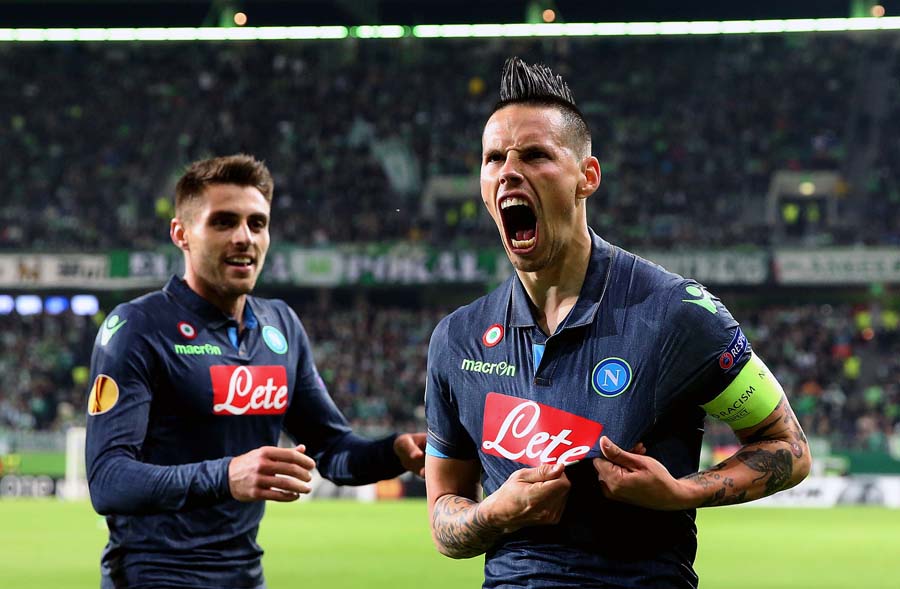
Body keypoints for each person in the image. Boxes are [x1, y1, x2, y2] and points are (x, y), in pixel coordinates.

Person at [424, 57, 811, 588]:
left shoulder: (679, 314)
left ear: (587, 177)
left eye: (535, 155)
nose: (509, 170)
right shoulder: (457, 338)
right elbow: (444, 521)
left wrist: (681, 492)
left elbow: (788, 447)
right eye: (494, 158)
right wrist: (497, 513)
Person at [85, 154, 426, 588]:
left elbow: (333, 451)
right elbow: (108, 480)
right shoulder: (138, 327)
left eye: (257, 224)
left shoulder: (279, 325)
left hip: (245, 576)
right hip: (153, 576)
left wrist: (394, 452)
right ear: (181, 234)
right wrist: (227, 476)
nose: (244, 237)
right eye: (224, 222)